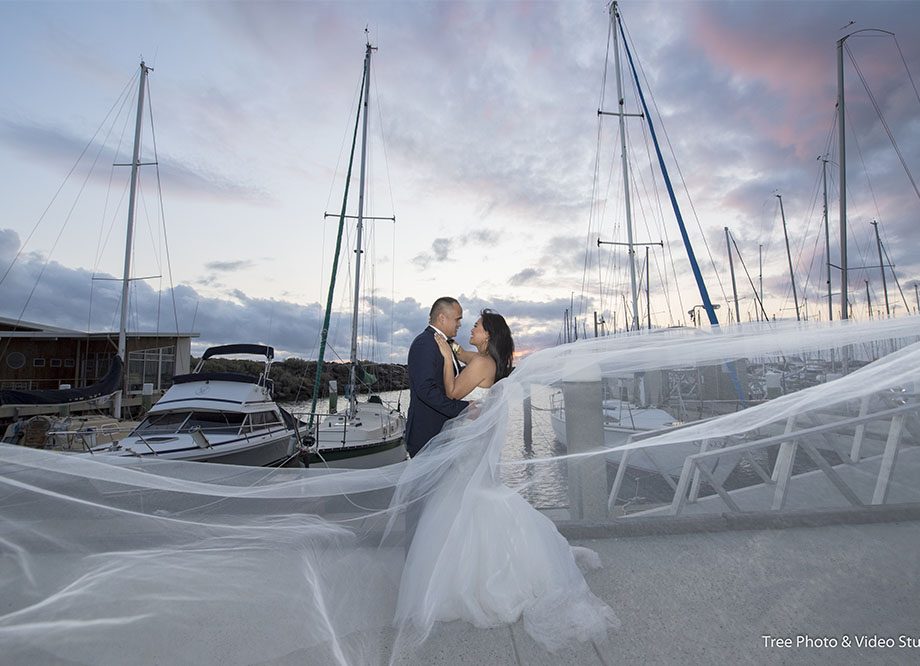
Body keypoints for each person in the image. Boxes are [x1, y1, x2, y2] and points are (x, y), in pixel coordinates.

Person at [405, 296, 470, 458]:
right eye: (457, 319)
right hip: (427, 435)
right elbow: (425, 390)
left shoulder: (446, 344)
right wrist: (463, 409)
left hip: (442, 434)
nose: (460, 324)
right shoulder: (425, 343)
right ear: (442, 318)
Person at [434, 308, 514, 400]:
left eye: (476, 326)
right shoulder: (483, 359)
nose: (472, 330)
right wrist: (445, 336)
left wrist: (447, 357)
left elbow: (452, 394)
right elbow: (460, 353)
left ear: (488, 334)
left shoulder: (482, 362)